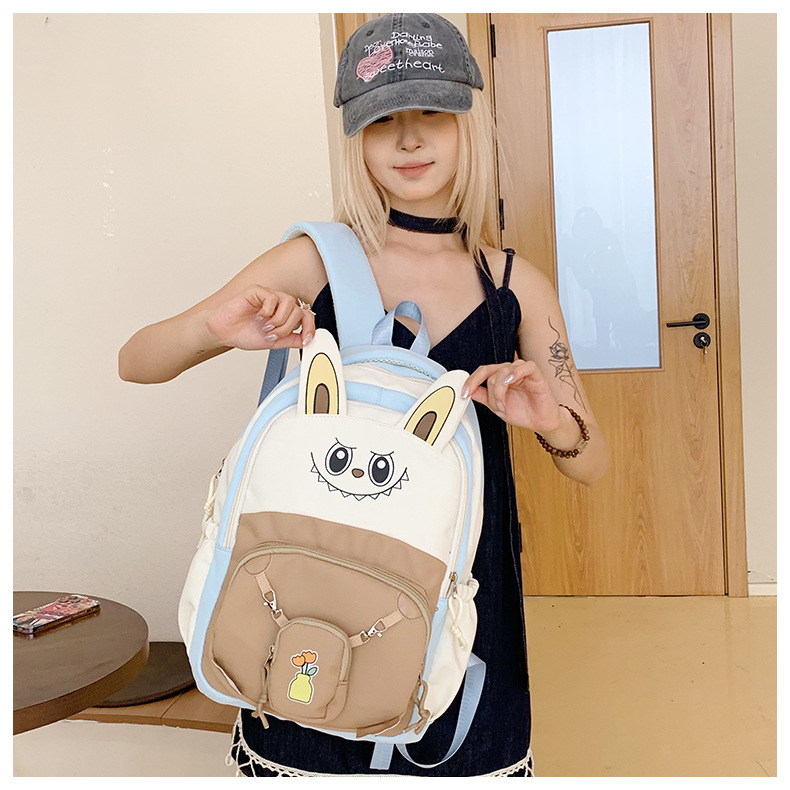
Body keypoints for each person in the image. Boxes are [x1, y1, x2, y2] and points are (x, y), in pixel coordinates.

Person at [119, 13, 609, 777]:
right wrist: (213, 329)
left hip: (461, 587)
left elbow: (592, 460)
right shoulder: (316, 258)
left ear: (468, 122)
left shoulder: (516, 285)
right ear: (356, 135)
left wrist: (553, 421)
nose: (409, 139)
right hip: (312, 589)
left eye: (432, 113)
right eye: (384, 120)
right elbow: (135, 361)